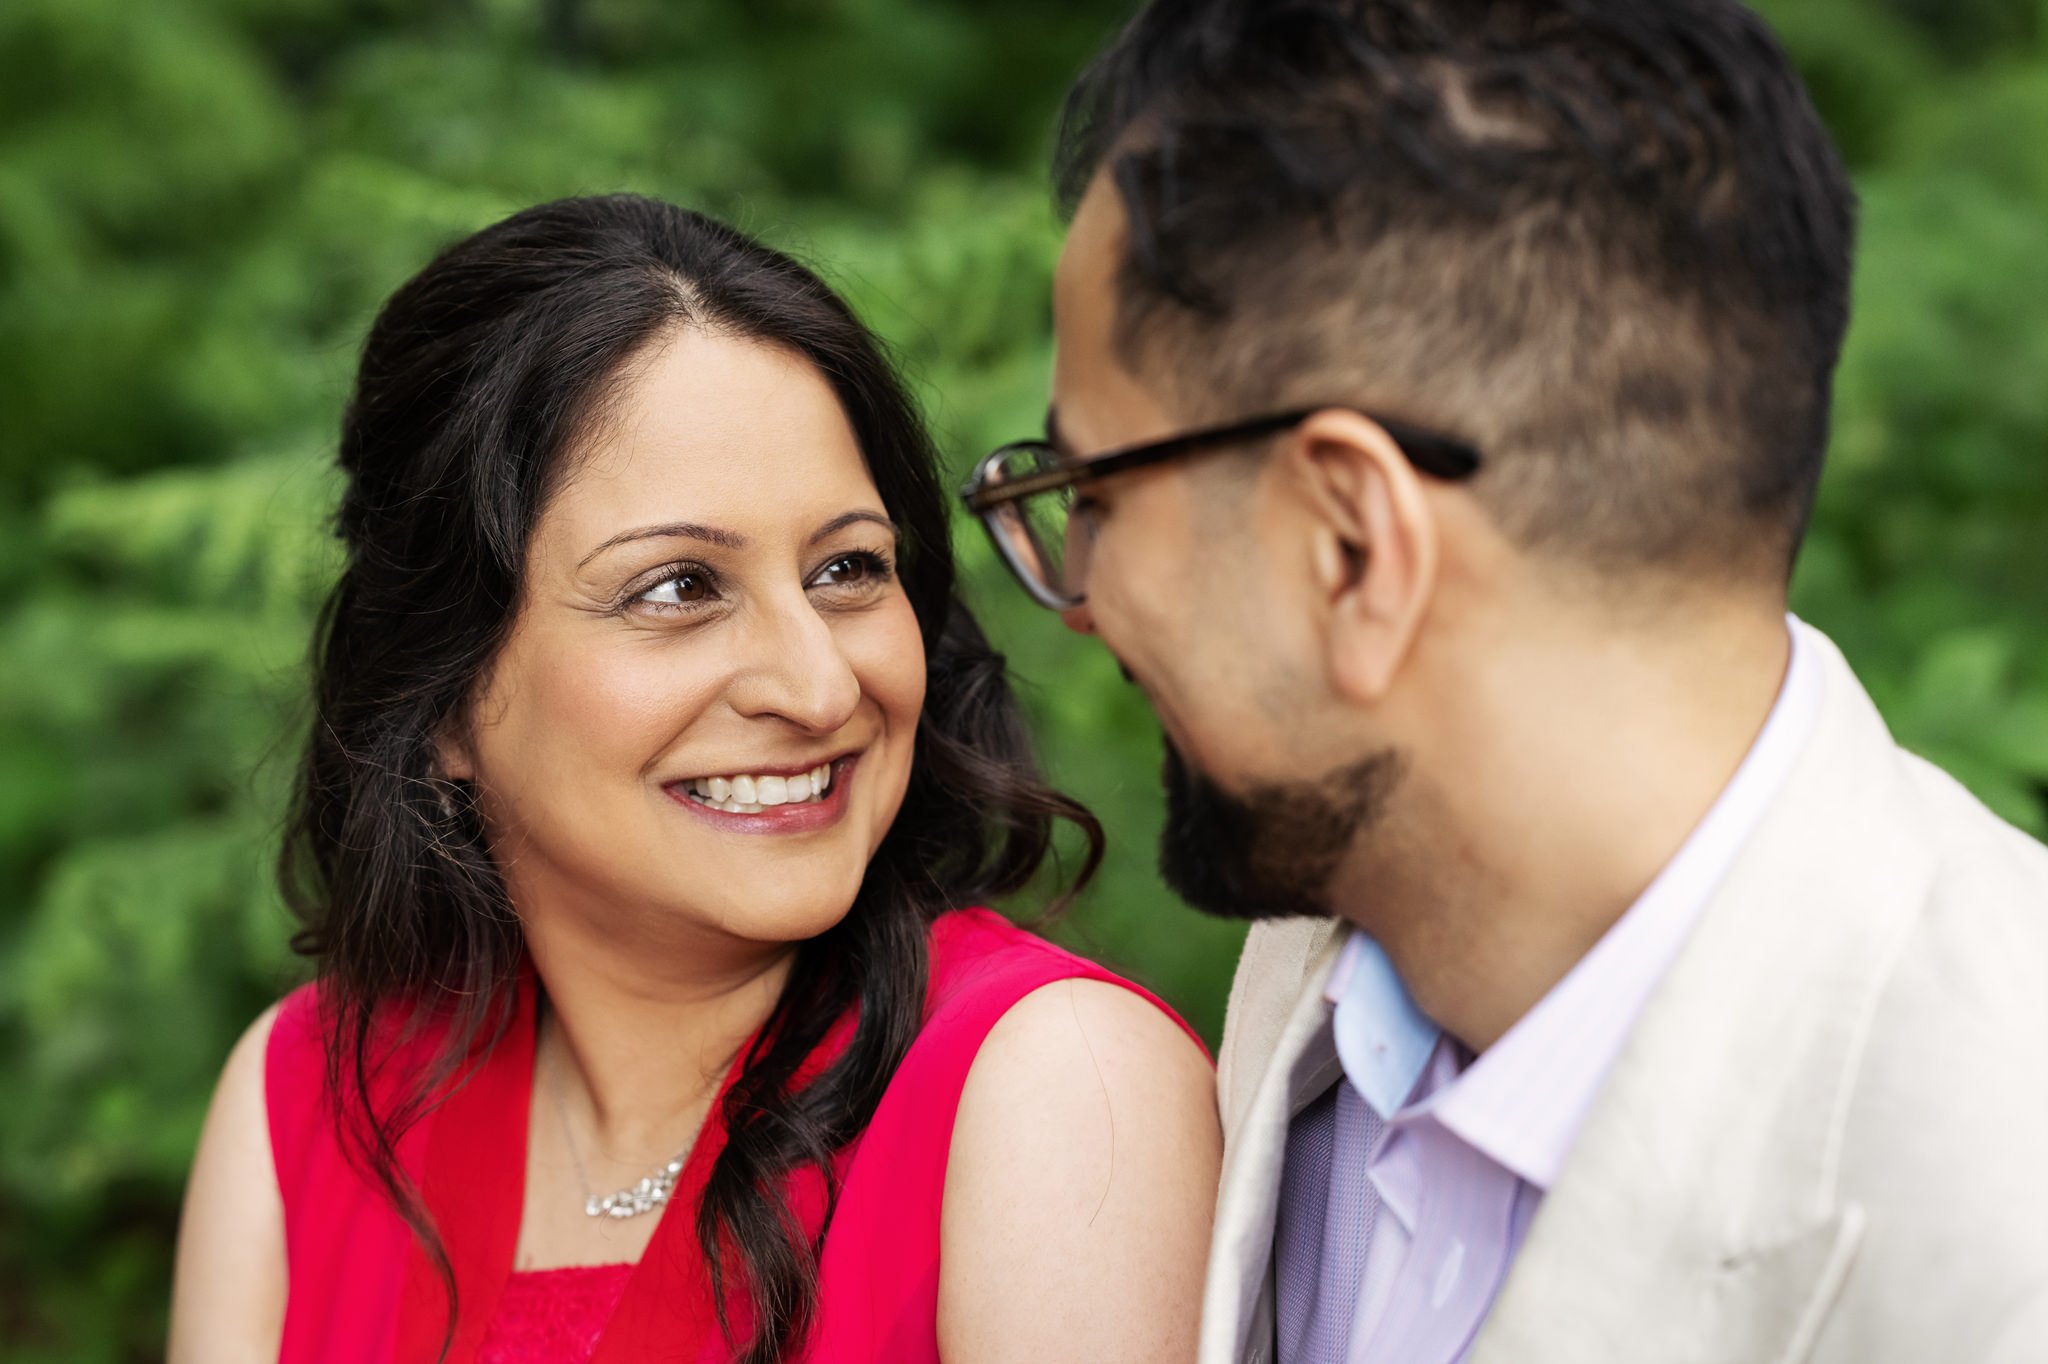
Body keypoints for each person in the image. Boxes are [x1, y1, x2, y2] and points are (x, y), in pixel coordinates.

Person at [959, 1, 2048, 1361]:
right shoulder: (1327, 923)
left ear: (1354, 547)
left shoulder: (2003, 1232)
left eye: (1091, 493)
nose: (1081, 598)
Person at [167, 194, 1220, 1364]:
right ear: (444, 695)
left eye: (847, 568)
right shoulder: (312, 1099)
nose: (819, 686)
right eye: (677, 587)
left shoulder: (1053, 1091)